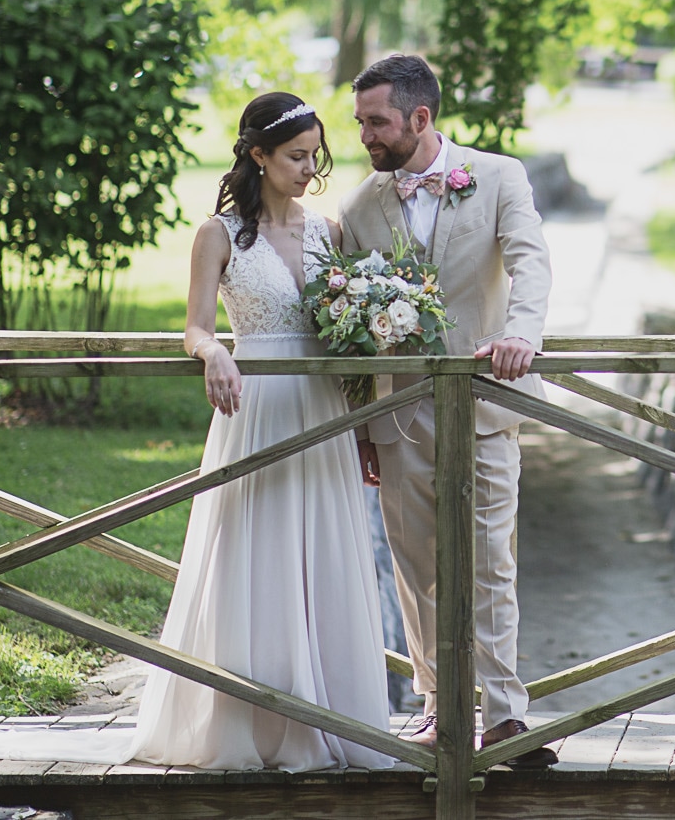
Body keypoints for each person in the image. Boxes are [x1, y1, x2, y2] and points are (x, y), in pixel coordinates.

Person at [129, 90, 400, 770]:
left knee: (323, 552)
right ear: (257, 154)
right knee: (258, 547)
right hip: (255, 407)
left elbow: (348, 324)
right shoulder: (217, 234)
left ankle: (329, 713)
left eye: (315, 154)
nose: (309, 167)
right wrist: (213, 350)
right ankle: (249, 716)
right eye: (294, 155)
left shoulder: (327, 231)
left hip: (322, 408)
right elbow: (195, 323)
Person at [339, 54, 556, 766]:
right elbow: (342, 322)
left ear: (420, 117)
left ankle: (502, 716)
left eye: (377, 121)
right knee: (414, 565)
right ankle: (437, 706)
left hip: (484, 402)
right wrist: (361, 423)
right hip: (398, 413)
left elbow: (531, 260)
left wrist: (522, 331)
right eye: (362, 121)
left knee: (490, 558)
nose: (365, 134)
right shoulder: (359, 206)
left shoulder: (498, 176)